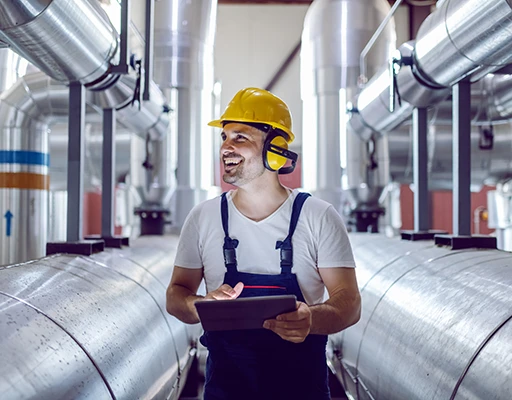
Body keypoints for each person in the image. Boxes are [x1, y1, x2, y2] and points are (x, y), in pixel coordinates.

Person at [166, 87, 361, 400]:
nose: (226, 147)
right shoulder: (204, 217)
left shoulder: (318, 216)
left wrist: (310, 320)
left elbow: (349, 303)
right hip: (225, 391)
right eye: (224, 137)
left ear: (276, 148)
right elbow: (176, 294)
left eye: (240, 137)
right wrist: (198, 306)